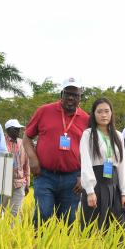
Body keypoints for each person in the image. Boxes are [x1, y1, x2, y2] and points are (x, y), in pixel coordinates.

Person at [24, 78, 89, 225]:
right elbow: (27, 137)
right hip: (45, 174)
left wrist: (82, 175)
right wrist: (33, 159)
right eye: (68, 93)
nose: (71, 98)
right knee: (43, 214)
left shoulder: (86, 119)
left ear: (80, 98)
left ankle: (60, 248)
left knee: (68, 221)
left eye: (75, 95)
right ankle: (35, 247)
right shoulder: (44, 111)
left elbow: (89, 152)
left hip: (72, 179)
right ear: (61, 94)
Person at [79, 98, 125, 228]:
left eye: (107, 111)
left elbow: (122, 165)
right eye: (99, 112)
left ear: (111, 113)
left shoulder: (118, 135)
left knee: (116, 228)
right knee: (93, 226)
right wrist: (90, 191)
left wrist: (124, 193)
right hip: (96, 183)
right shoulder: (88, 134)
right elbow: (85, 162)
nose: (104, 115)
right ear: (93, 114)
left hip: (114, 185)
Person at [2, 119, 30, 217]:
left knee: (15, 213)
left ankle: (13, 232)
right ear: (8, 130)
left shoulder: (22, 143)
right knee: (0, 211)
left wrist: (27, 182)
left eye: (19, 129)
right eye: (15, 129)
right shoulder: (1, 142)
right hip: (4, 182)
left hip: (20, 182)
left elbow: (26, 165)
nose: (18, 131)